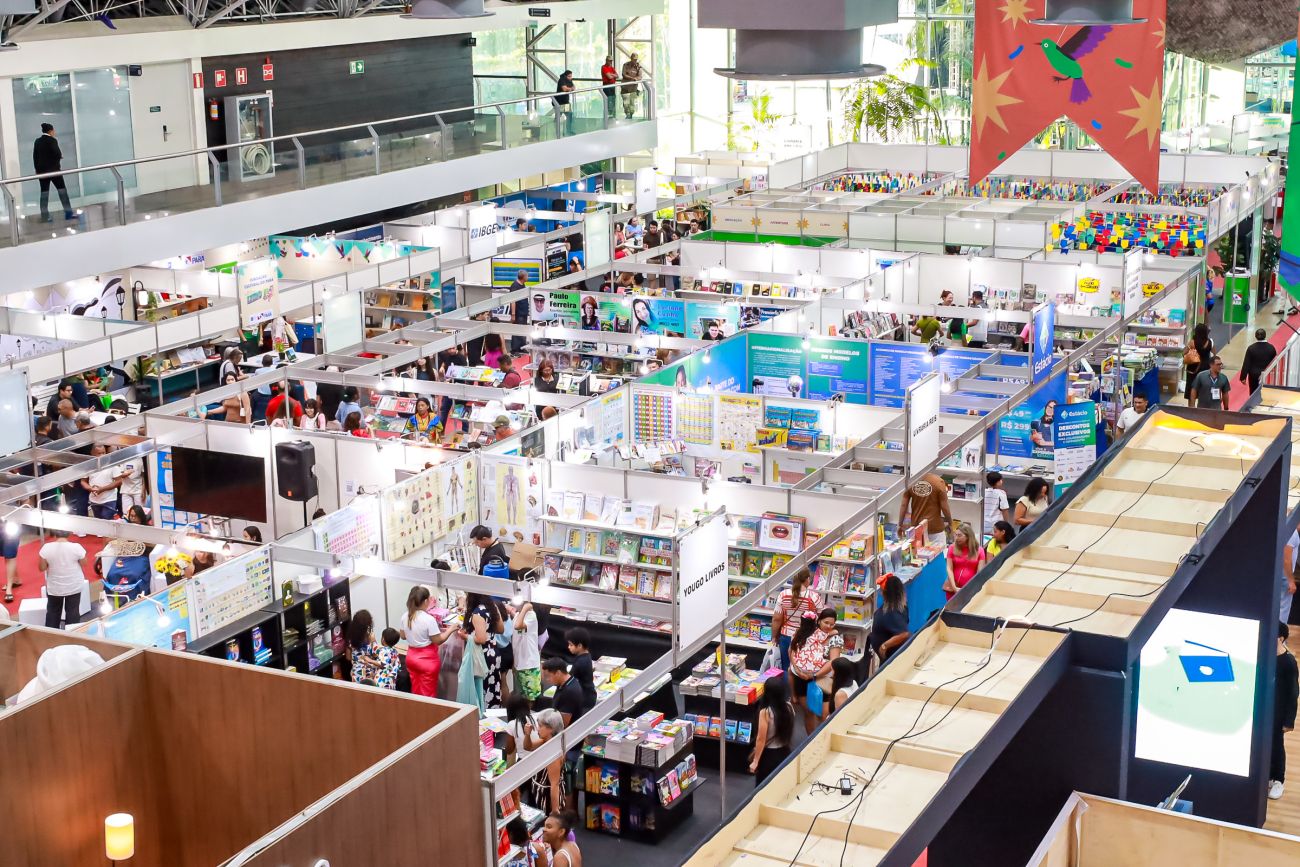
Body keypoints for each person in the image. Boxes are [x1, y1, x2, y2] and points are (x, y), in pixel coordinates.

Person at [789, 608, 843, 733]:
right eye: (826, 623)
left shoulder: (835, 639)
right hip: (803, 679)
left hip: (824, 680)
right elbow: (792, 651)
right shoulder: (806, 634)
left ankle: (823, 738)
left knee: (823, 715)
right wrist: (797, 669)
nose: (829, 626)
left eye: (832, 624)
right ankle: (811, 739)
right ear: (818, 621)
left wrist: (814, 675)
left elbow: (833, 662)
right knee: (809, 712)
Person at [401, 585, 456, 698]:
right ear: (426, 601)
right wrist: (451, 629)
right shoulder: (429, 619)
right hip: (427, 661)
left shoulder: (405, 616)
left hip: (411, 658)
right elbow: (438, 640)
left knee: (416, 692)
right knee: (428, 695)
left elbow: (402, 636)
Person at [770, 568, 822, 672]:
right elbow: (820, 619)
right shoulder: (814, 597)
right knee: (803, 667)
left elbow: (777, 619)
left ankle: (786, 682)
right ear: (807, 579)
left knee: (786, 667)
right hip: (806, 637)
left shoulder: (783, 595)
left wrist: (774, 636)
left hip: (786, 636)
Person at [748, 673, 795, 784]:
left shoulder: (765, 712)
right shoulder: (789, 707)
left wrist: (755, 761)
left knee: (763, 786)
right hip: (785, 751)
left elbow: (761, 739)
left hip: (769, 756)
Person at [1271, 621, 1298, 800]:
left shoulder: (1288, 662)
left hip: (1279, 713)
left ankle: (1278, 780)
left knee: (1276, 746)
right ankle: (1267, 776)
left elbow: (1293, 692)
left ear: (1280, 638)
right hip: (1264, 710)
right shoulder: (1264, 656)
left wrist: (1289, 721)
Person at [465, 591, 506, 709]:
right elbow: (501, 629)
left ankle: (482, 712)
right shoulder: (493, 607)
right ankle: (493, 711)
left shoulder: (477, 613)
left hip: (482, 655)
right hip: (494, 653)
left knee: (482, 687)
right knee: (493, 686)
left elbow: (481, 639)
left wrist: (466, 636)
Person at [39, 529, 86, 628]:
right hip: (74, 584)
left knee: (53, 613)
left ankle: (51, 635)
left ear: (54, 534)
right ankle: (72, 635)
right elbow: (84, 563)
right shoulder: (76, 547)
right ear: (69, 533)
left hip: (55, 586)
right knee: (73, 612)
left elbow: (42, 568)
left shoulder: (46, 548)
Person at [33, 123, 74, 222]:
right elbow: (57, 153)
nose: (54, 132)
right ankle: (68, 214)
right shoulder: (52, 140)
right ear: (50, 131)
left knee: (44, 194)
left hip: (42, 172)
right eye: (53, 130)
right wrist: (60, 156)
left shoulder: (37, 141)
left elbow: (35, 157)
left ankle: (45, 217)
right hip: (54, 171)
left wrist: (37, 170)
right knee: (62, 192)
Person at [869, 573, 910, 662]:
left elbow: (903, 634)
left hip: (892, 658)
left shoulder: (891, 612)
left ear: (885, 593)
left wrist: (884, 646)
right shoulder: (900, 606)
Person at [901, 471, 953, 540]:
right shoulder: (938, 481)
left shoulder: (911, 481)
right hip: (935, 528)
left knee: (917, 547)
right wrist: (950, 523)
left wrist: (900, 524)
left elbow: (904, 505)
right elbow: (945, 508)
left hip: (917, 527)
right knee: (938, 547)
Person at [944, 522, 986, 599]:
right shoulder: (952, 548)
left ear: (968, 536)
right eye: (955, 535)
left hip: (971, 590)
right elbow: (949, 568)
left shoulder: (979, 550)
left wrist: (972, 588)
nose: (956, 538)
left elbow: (979, 572)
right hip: (953, 588)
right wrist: (954, 587)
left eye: (959, 535)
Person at [541, 656, 585, 726]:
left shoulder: (570, 692)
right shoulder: (562, 682)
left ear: (558, 673)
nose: (547, 680)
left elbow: (563, 724)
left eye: (548, 676)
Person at [513, 600, 542, 700]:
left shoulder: (531, 615)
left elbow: (518, 626)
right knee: (522, 697)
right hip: (519, 662)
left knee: (531, 697)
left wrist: (526, 608)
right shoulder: (518, 615)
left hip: (529, 664)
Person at [85, 443, 123, 520]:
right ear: (92, 454)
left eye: (104, 453)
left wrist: (102, 489)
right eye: (99, 453)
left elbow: (119, 481)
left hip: (109, 499)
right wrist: (90, 488)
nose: (102, 455)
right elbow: (83, 481)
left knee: (107, 520)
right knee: (99, 522)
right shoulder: (88, 466)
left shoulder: (112, 464)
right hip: (94, 500)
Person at [566, 627, 598, 713]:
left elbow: (569, 679)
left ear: (580, 646)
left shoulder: (580, 662)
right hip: (589, 694)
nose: (568, 647)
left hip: (584, 700)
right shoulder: (587, 655)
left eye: (571, 645)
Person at [347, 610, 384, 685]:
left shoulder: (350, 638)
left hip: (356, 673)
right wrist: (374, 642)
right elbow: (377, 655)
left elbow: (348, 657)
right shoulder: (370, 638)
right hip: (370, 674)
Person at [1183, 323, 1214, 402]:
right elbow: (1214, 355)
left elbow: (1184, 352)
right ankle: (1202, 406)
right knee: (1204, 388)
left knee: (1191, 388)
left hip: (1193, 368)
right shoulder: (1210, 342)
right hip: (1206, 368)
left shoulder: (1192, 342)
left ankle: (1191, 407)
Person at [1241, 328, 1278, 394]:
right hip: (1267, 374)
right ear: (1265, 335)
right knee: (1266, 392)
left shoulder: (1251, 348)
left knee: (1253, 393)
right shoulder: (1271, 348)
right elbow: (1275, 362)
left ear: (1255, 336)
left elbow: (1246, 363)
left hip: (1254, 376)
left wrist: (1243, 377)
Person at [620, 53, 644, 119]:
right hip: (625, 87)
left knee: (632, 102)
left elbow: (640, 76)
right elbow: (624, 74)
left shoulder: (639, 67)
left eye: (636, 59)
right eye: (633, 59)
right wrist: (632, 78)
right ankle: (627, 114)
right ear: (631, 58)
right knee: (625, 102)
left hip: (633, 88)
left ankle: (631, 114)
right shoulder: (626, 65)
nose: (635, 61)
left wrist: (636, 78)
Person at [1283, 527, 1297, 626]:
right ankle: (1279, 633)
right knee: (1283, 609)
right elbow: (1286, 559)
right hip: (1284, 577)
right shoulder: (1292, 532)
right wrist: (1291, 581)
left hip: (1282, 575)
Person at [554, 70, 575, 135]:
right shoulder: (561, 80)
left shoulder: (569, 80)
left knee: (569, 115)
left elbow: (574, 87)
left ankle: (569, 130)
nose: (570, 78)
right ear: (565, 76)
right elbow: (564, 89)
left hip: (566, 102)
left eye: (571, 76)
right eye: (569, 76)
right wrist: (570, 89)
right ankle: (557, 132)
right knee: (558, 117)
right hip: (559, 102)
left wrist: (569, 88)